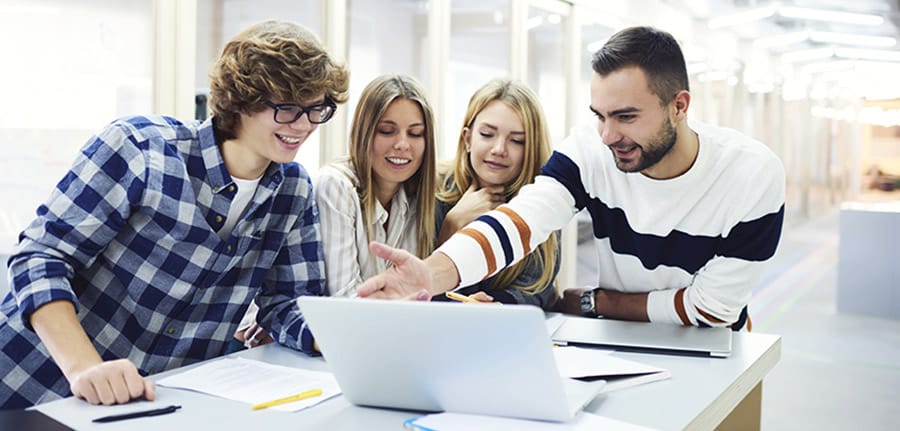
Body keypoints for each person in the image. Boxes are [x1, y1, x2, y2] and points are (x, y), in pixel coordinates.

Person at [0, 20, 348, 409]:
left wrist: (345, 333)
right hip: (29, 385)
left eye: (316, 109)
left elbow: (286, 305)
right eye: (287, 109)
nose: (303, 126)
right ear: (240, 100)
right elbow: (41, 258)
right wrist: (84, 368)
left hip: (151, 405)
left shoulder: (293, 191)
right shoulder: (141, 149)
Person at [358, 26, 785, 331]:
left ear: (679, 105)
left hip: (712, 348)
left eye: (626, 117)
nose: (608, 135)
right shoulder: (590, 150)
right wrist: (431, 276)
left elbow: (710, 310)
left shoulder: (751, 176)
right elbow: (519, 222)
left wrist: (595, 302)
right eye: (599, 115)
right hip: (619, 340)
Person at [432, 78, 559, 309]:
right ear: (468, 138)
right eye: (488, 135)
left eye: (517, 141)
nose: (499, 149)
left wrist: (499, 303)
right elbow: (415, 290)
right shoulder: (433, 189)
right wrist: (452, 226)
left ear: (531, 148)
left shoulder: (542, 199)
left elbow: (540, 289)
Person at [317, 74, 437, 297]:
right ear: (363, 133)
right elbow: (346, 299)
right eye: (387, 131)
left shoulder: (414, 196)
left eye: (415, 133)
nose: (402, 145)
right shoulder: (336, 186)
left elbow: (416, 296)